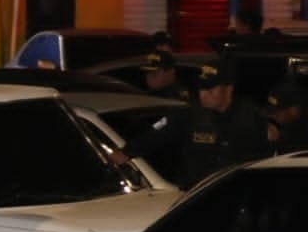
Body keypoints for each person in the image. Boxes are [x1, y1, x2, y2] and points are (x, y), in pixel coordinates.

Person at [113, 58, 270, 188]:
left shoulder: (252, 117)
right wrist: (128, 151)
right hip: (196, 195)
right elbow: (157, 133)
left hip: (236, 194)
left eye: (210, 89)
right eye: (201, 89)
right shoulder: (190, 114)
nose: (203, 94)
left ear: (229, 89)